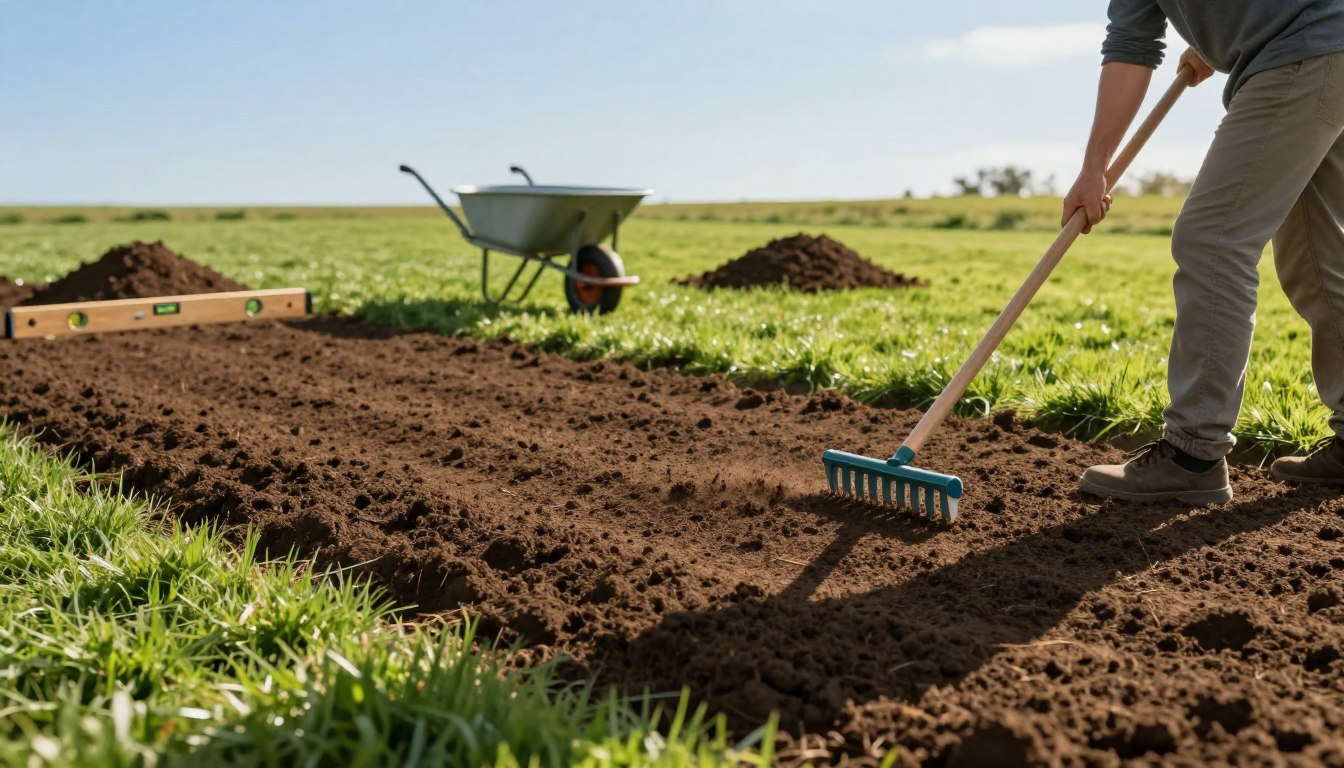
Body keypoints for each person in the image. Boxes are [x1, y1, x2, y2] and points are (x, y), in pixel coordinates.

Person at [1068, 1, 1344, 504]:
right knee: (1314, 257)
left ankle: (1192, 454)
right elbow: (1132, 44)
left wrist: (1094, 168)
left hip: (1303, 49)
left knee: (1213, 240)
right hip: (1323, 48)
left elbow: (1132, 48)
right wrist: (1095, 168)